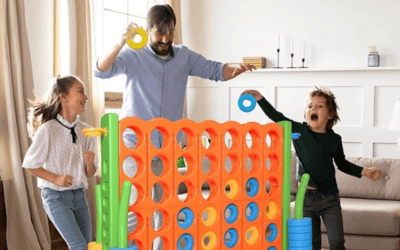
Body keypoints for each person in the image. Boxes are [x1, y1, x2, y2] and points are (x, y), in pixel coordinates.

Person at [94, 4, 255, 249]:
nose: (166, 38)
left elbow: (214, 70)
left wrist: (236, 70)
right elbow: (101, 71)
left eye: (170, 31)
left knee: (163, 208)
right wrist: (119, 44)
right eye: (160, 32)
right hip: (133, 144)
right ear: (148, 30)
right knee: (134, 205)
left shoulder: (184, 56)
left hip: (166, 146)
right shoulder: (133, 55)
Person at [242, 86, 381, 250]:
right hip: (305, 198)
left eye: (320, 106)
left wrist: (364, 171)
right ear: (305, 113)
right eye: (310, 106)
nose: (313, 109)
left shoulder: (334, 139)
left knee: (337, 242)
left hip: (330, 198)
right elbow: (277, 117)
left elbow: (342, 164)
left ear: (329, 115)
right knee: (312, 244)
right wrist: (260, 98)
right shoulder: (299, 131)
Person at [22, 75, 98, 250]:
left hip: (79, 196)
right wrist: (56, 178)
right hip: (56, 198)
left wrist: (90, 163)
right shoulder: (48, 129)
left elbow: (90, 173)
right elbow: (30, 164)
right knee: (79, 245)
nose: (85, 97)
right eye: (80, 91)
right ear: (63, 97)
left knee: (86, 244)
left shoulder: (86, 131)